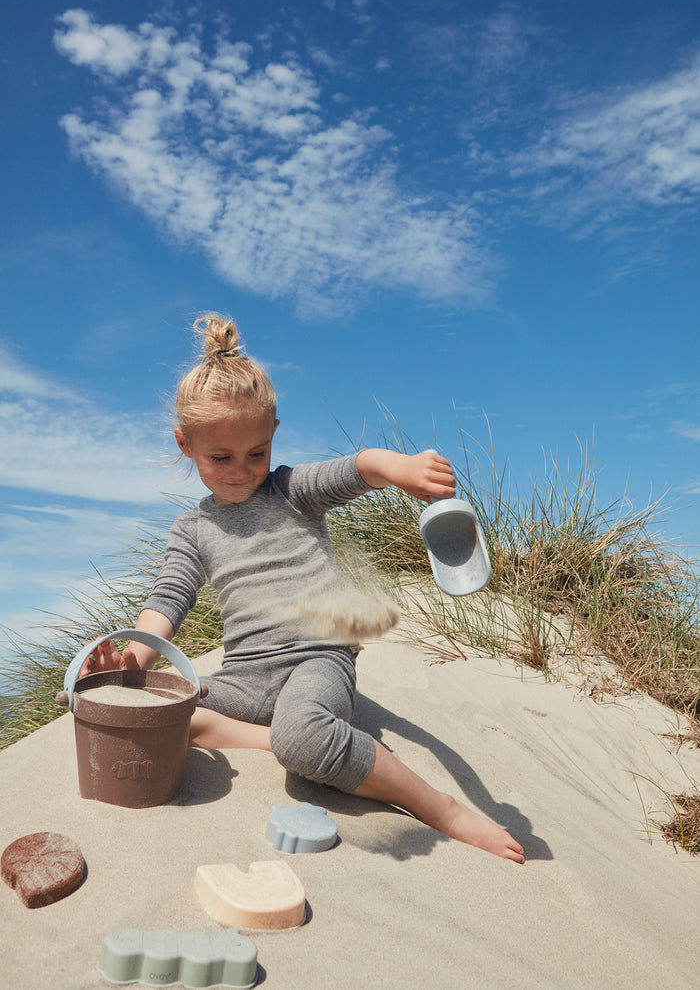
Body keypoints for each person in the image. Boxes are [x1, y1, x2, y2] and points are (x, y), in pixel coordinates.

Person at [82, 313, 524, 864]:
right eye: (221, 458)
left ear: (272, 437)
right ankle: (284, 741)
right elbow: (168, 600)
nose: (242, 470)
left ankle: (438, 807)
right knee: (153, 710)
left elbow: (359, 468)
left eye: (256, 453)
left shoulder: (291, 490)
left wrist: (403, 467)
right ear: (185, 444)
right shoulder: (192, 530)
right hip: (245, 676)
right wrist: (132, 659)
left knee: (303, 736)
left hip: (317, 659)